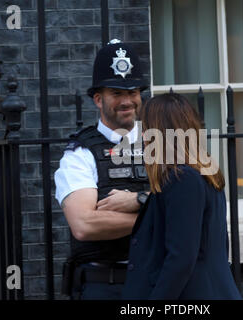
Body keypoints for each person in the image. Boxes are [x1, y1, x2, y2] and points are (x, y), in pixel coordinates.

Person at [54, 39, 150, 300]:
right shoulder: (80, 153)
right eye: (116, 93)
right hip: (106, 286)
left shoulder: (164, 143)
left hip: (160, 283)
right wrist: (160, 217)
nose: (127, 101)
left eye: (132, 92)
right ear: (98, 99)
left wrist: (140, 200)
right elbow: (85, 225)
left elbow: (191, 203)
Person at [122, 93, 242, 299]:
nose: (142, 137)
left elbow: (181, 259)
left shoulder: (182, 179)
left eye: (145, 128)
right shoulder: (205, 173)